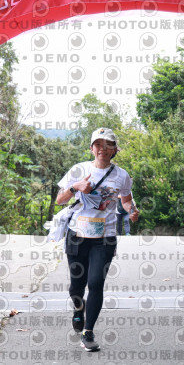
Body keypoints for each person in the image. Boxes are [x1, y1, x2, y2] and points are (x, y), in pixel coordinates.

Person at [56, 128, 139, 352]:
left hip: (105, 237)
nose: (103, 148)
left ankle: (88, 332)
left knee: (95, 283)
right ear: (92, 148)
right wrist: (75, 187)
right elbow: (60, 200)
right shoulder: (79, 170)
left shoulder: (122, 175)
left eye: (108, 144)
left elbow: (126, 200)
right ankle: (78, 309)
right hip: (77, 235)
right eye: (98, 144)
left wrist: (131, 210)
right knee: (76, 286)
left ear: (115, 149)